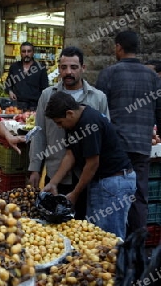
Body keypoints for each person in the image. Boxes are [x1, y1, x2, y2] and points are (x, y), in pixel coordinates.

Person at [28, 46, 109, 220]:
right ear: (59, 69)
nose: (68, 72)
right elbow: (39, 133)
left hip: (85, 176)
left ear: (83, 68)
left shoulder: (98, 98)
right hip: (56, 172)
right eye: (64, 67)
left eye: (73, 67)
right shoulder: (47, 96)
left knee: (83, 226)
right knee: (54, 225)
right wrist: (34, 168)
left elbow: (105, 137)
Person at [43, 91, 136, 238]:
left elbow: (92, 164)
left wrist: (75, 193)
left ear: (69, 113)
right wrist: (53, 182)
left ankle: (119, 261)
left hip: (114, 184)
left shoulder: (89, 123)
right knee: (96, 236)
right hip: (101, 182)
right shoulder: (74, 122)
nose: (59, 127)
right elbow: (70, 154)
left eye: (59, 122)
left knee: (109, 239)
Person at [95, 30, 161, 236]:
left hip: (116, 148)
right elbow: (158, 110)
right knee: (139, 196)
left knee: (114, 197)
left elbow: (99, 114)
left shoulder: (109, 74)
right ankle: (137, 248)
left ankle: (115, 244)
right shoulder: (152, 76)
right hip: (142, 147)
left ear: (118, 47)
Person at [4, 41, 48, 111]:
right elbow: (8, 83)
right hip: (17, 106)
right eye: (24, 51)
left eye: (29, 51)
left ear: (33, 53)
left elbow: (45, 88)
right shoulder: (14, 67)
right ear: (20, 53)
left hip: (34, 106)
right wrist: (10, 91)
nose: (26, 54)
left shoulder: (40, 68)